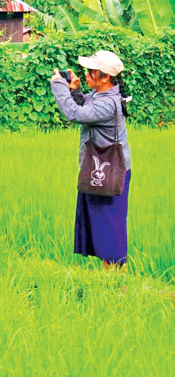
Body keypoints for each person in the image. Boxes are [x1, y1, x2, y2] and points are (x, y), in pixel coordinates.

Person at [50, 50, 131, 269]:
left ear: (105, 77)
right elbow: (84, 107)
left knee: (110, 224)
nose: (86, 74)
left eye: (91, 71)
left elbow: (76, 114)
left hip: (111, 172)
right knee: (101, 223)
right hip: (101, 169)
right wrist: (75, 91)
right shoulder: (100, 95)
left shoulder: (108, 103)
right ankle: (109, 274)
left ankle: (115, 276)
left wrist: (59, 86)